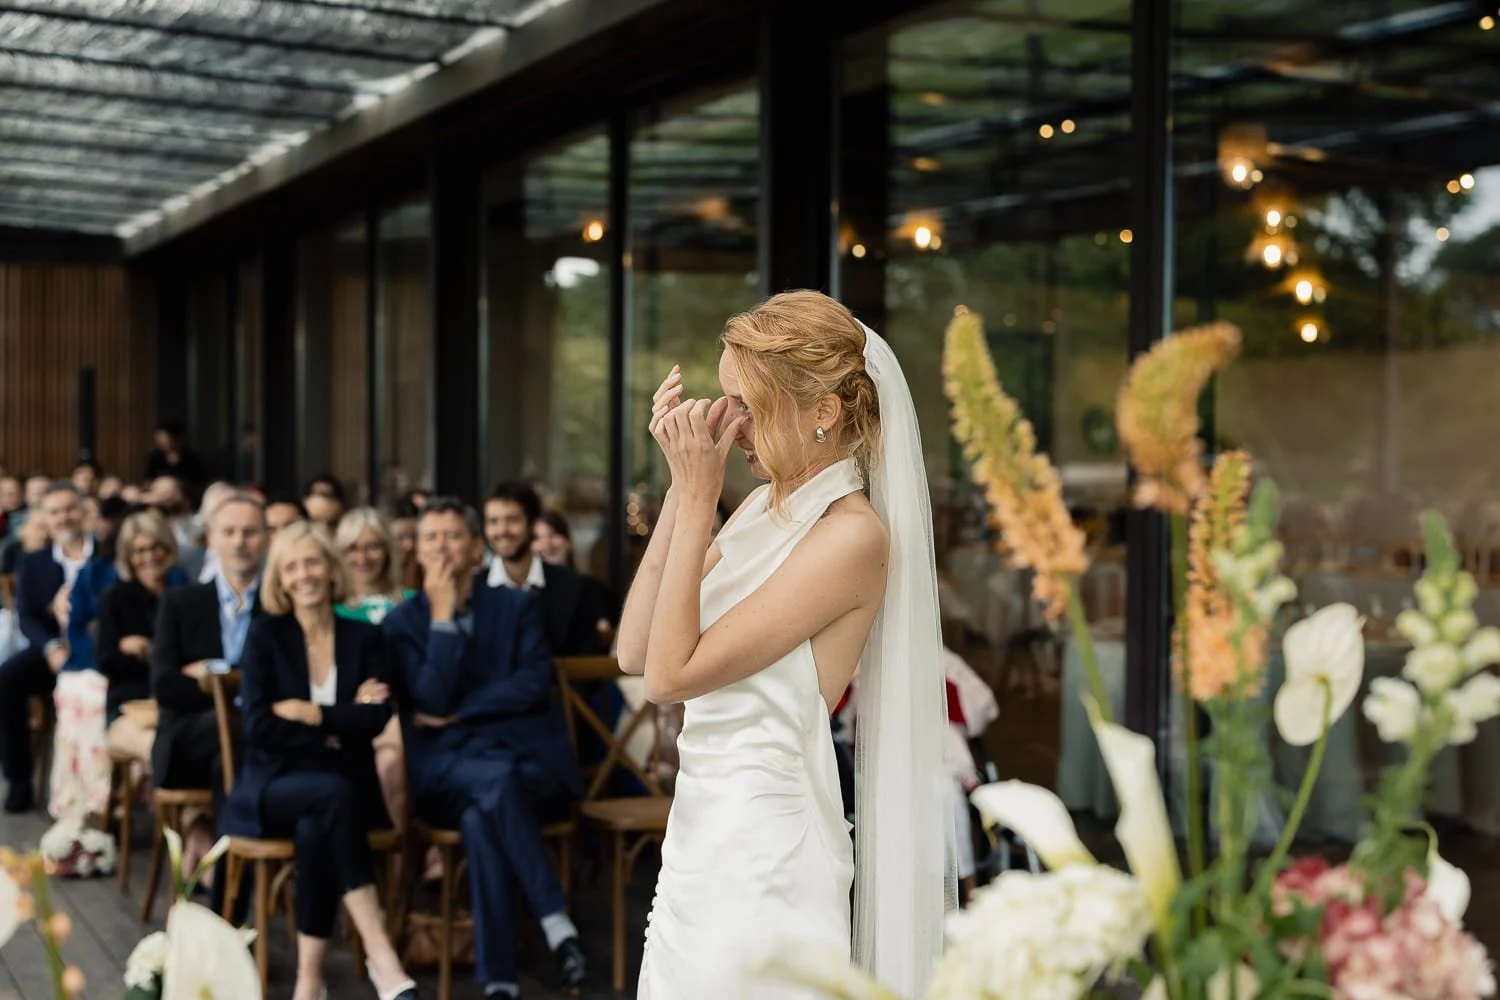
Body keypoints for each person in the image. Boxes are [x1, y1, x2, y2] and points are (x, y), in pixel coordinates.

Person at [618, 291, 952, 998]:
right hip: (697, 842)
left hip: (766, 853)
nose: (727, 420)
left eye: (746, 401)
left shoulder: (851, 536)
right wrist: (684, 495)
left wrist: (700, 493)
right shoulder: (759, 508)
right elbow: (635, 648)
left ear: (822, 413)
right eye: (725, 399)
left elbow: (670, 677)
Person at [383, 499, 587, 997]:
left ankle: (499, 982)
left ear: (477, 549)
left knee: (485, 811)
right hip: (443, 770)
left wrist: (462, 712)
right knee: (493, 785)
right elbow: (428, 696)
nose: (442, 548)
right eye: (431, 538)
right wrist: (443, 617)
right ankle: (556, 923)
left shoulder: (515, 607)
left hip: (524, 760)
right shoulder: (401, 623)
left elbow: (532, 683)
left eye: (453, 537)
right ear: (416, 551)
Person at [224, 522, 417, 1000]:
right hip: (273, 785)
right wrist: (338, 728)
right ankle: (381, 955)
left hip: (341, 792)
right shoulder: (266, 635)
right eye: (291, 566)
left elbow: (376, 719)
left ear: (332, 569)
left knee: (319, 827)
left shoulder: (365, 636)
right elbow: (260, 729)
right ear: (280, 580)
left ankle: (310, 979)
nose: (304, 574)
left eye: (312, 562)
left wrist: (311, 713)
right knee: (331, 796)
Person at [150, 490, 267, 878]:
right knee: (232, 735)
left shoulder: (277, 604)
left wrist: (211, 676)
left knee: (229, 759)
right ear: (211, 539)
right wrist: (240, 682)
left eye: (250, 532)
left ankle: (227, 879)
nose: (239, 542)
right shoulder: (182, 602)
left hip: (249, 743)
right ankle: (239, 870)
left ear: (265, 538)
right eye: (229, 531)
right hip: (186, 743)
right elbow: (165, 685)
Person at [99, 511, 188, 765]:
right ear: (128, 555)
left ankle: (193, 807)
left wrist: (147, 649)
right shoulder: (115, 598)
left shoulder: (183, 595)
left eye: (156, 547)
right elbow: (106, 659)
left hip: (175, 707)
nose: (149, 557)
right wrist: (162, 656)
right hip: (128, 707)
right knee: (162, 749)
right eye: (139, 551)